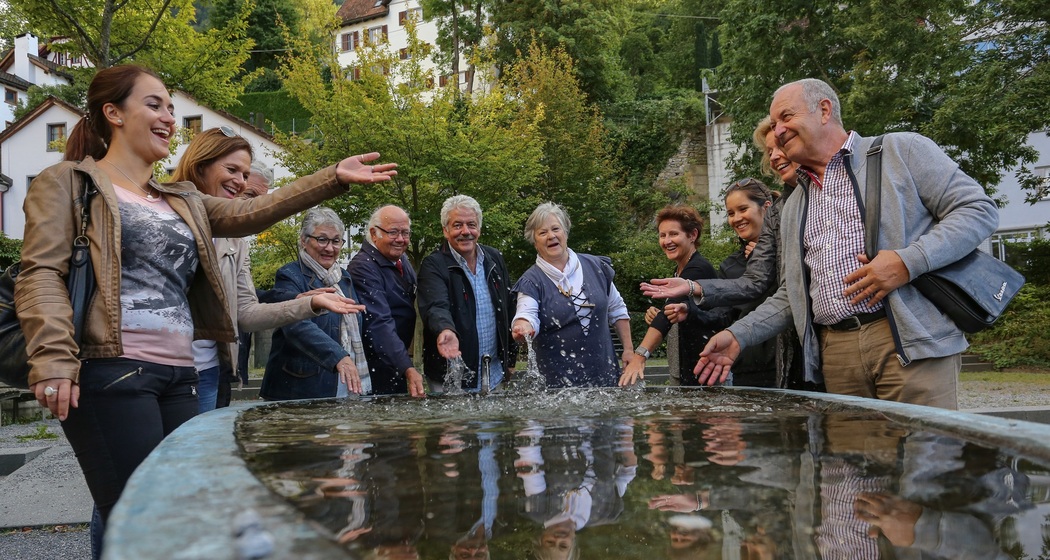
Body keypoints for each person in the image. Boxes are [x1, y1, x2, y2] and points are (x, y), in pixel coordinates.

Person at [15, 64, 396, 558]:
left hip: (182, 374)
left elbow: (251, 213)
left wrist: (331, 178)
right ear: (113, 113)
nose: (168, 117)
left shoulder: (181, 198)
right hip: (110, 370)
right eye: (154, 104)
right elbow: (40, 273)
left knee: (184, 512)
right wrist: (51, 358)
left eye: (171, 108)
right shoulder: (68, 181)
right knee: (145, 519)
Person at [695, 78, 999, 408]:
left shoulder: (901, 150)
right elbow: (792, 295)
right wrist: (740, 333)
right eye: (774, 123)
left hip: (908, 342)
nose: (778, 131)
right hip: (836, 353)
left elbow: (978, 210)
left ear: (824, 110)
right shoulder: (795, 202)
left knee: (924, 457)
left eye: (785, 117)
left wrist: (908, 261)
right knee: (848, 459)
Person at [171, 128, 362, 412]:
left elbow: (245, 311)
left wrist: (310, 303)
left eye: (245, 175)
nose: (239, 184)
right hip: (157, 367)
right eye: (233, 170)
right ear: (200, 166)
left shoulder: (235, 241)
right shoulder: (164, 214)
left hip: (210, 369)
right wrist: (330, 178)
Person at [641, 117, 805, 389]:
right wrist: (689, 312)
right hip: (744, 366)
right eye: (730, 213)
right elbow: (723, 316)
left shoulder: (791, 241)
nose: (736, 218)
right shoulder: (731, 265)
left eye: (743, 210)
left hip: (790, 363)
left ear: (767, 208)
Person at [511, 202, 640, 388]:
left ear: (565, 232)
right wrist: (523, 326)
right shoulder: (531, 281)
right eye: (542, 232)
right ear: (534, 241)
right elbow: (526, 313)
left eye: (556, 229)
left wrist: (628, 350)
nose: (551, 236)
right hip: (557, 385)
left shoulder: (596, 267)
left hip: (605, 375)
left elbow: (617, 309)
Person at [259, 207, 375, 400]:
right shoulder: (290, 275)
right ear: (304, 241)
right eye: (322, 239)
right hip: (301, 388)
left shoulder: (344, 278)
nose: (330, 248)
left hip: (344, 386)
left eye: (336, 241)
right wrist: (338, 355)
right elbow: (296, 325)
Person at [417, 195, 516, 393]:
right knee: (455, 425)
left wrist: (510, 358)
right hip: (450, 375)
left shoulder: (494, 259)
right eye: (457, 225)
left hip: (494, 372)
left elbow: (508, 307)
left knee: (496, 424)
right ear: (446, 230)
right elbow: (435, 306)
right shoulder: (434, 265)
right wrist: (445, 329)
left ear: (478, 228)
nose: (465, 232)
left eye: (471, 224)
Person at [619, 205, 724, 387]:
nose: (667, 241)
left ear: (692, 235)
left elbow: (670, 316)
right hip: (687, 367)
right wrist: (659, 313)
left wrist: (640, 355)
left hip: (704, 369)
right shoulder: (680, 269)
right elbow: (678, 311)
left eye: (673, 234)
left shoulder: (698, 268)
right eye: (662, 235)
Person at [348, 205, 426, 397]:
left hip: (395, 363)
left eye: (405, 233)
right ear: (374, 234)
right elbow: (378, 323)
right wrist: (407, 367)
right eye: (393, 232)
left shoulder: (401, 260)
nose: (400, 239)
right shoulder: (363, 267)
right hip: (375, 367)